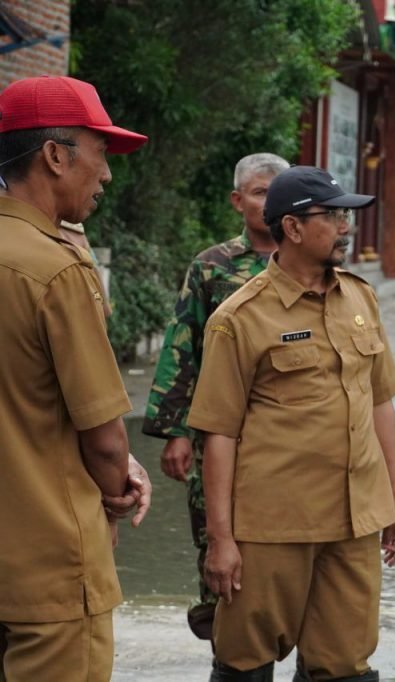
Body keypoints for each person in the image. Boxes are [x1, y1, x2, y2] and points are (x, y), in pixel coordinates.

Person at [187, 166, 395, 681]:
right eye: (332, 216)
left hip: (354, 524)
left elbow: (380, 402)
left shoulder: (360, 298)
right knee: (245, 660)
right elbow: (219, 434)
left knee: (345, 665)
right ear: (292, 228)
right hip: (272, 528)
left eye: (345, 215)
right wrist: (221, 541)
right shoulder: (239, 318)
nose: (345, 227)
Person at [0, 75, 152, 681]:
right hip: (50, 564)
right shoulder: (54, 270)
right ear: (55, 156)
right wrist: (119, 488)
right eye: (101, 153)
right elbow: (106, 437)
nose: (107, 175)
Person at [142, 152, 288, 640]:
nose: (269, 204)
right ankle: (225, 636)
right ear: (237, 200)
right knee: (215, 533)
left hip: (287, 433)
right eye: (260, 192)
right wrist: (177, 431)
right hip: (217, 427)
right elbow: (182, 344)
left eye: (277, 192)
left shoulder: (306, 259)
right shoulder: (212, 266)